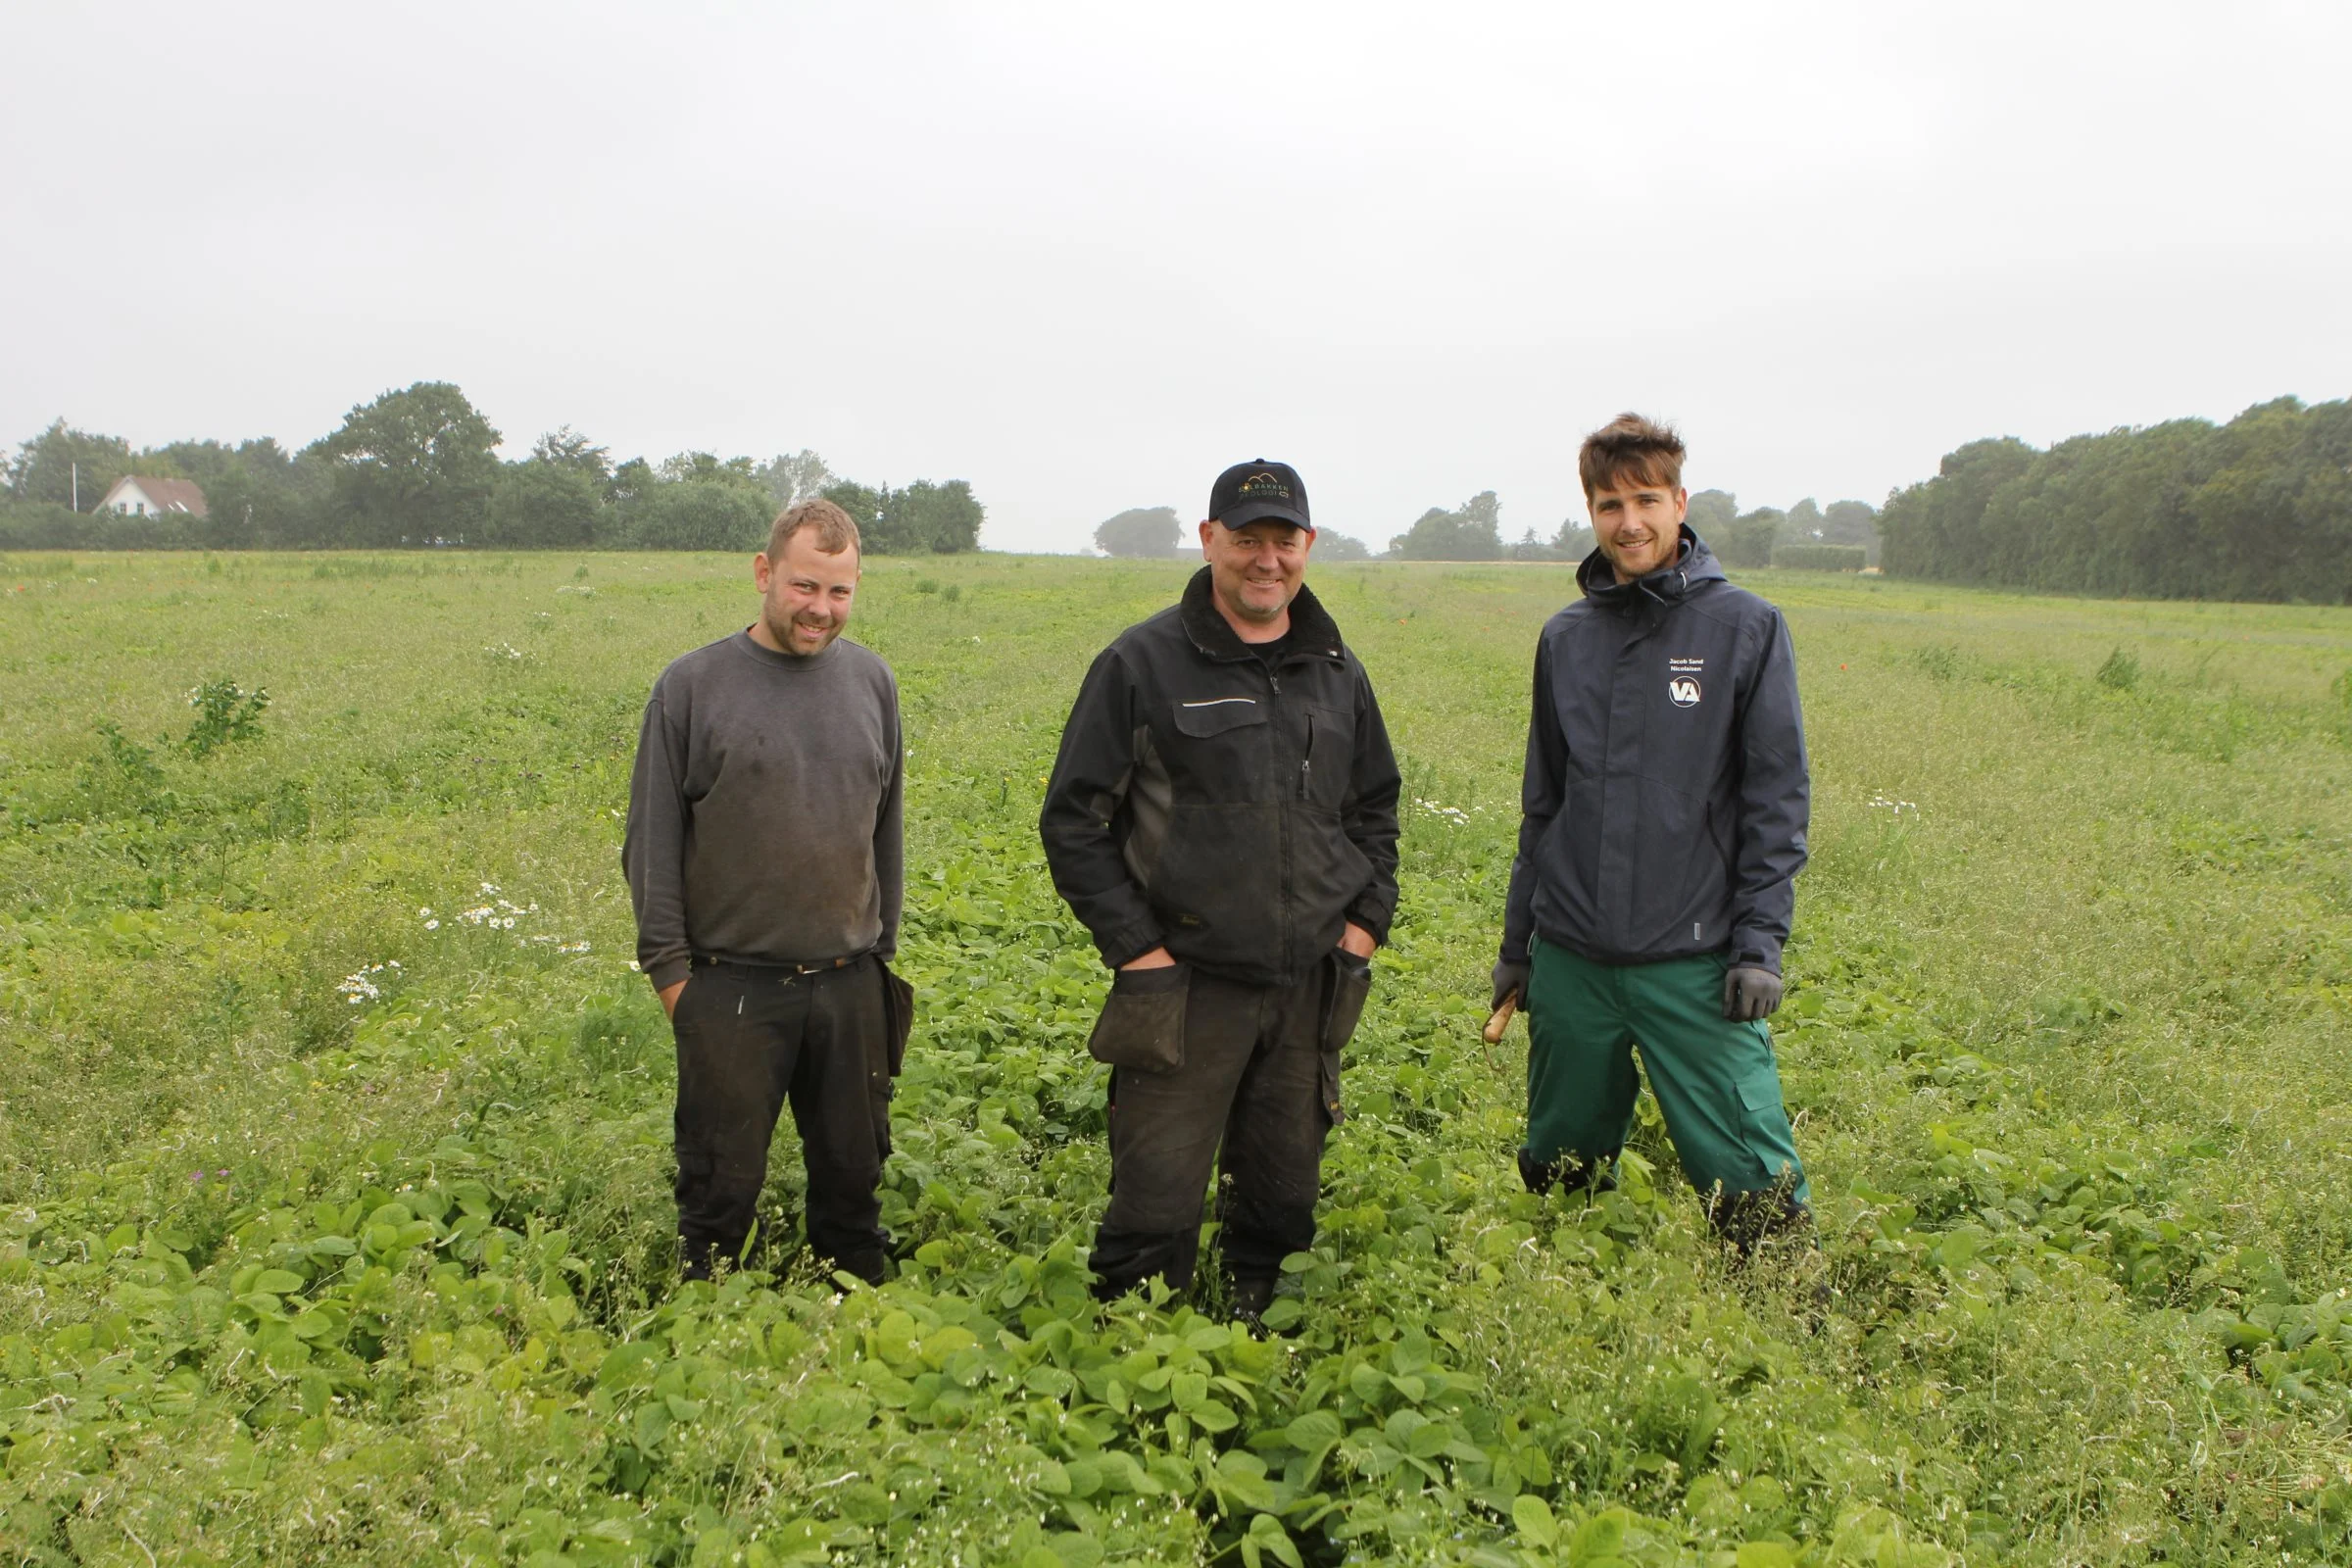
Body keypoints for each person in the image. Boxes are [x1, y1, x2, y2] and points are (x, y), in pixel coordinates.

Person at [1040, 459, 1401, 1318]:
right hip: (1183, 984)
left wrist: (1363, 927)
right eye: (1246, 541)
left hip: (1308, 981)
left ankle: (1255, 1324)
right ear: (1209, 542)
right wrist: (1140, 952)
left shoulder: (1336, 670)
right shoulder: (1142, 663)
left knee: (1282, 1197)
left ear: (1307, 546)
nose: (1265, 560)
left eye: (1284, 540)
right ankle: (1133, 1347)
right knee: (1154, 1203)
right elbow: (1073, 822)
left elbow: (1374, 807)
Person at [1493, 414, 1813, 1251]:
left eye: (1644, 499)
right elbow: (1544, 803)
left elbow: (1776, 801)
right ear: (1589, 513)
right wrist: (1518, 949)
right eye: (1608, 504)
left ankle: (1780, 1312)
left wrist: (1759, 945)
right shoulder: (1565, 637)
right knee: (1560, 1159)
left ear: (1679, 501)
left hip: (1695, 960)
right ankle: (1576, 1289)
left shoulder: (1745, 628)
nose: (1627, 521)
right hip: (1572, 958)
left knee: (1751, 1170)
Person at [622, 498, 910, 1285]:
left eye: (840, 592)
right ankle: (705, 1340)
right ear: (765, 573)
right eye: (805, 587)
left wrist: (880, 954)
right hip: (729, 987)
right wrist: (675, 978)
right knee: (719, 1194)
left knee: (855, 1186)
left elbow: (886, 828)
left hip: (850, 985)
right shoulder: (691, 687)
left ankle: (858, 1333)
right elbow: (650, 842)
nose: (821, 609)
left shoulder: (873, 683)